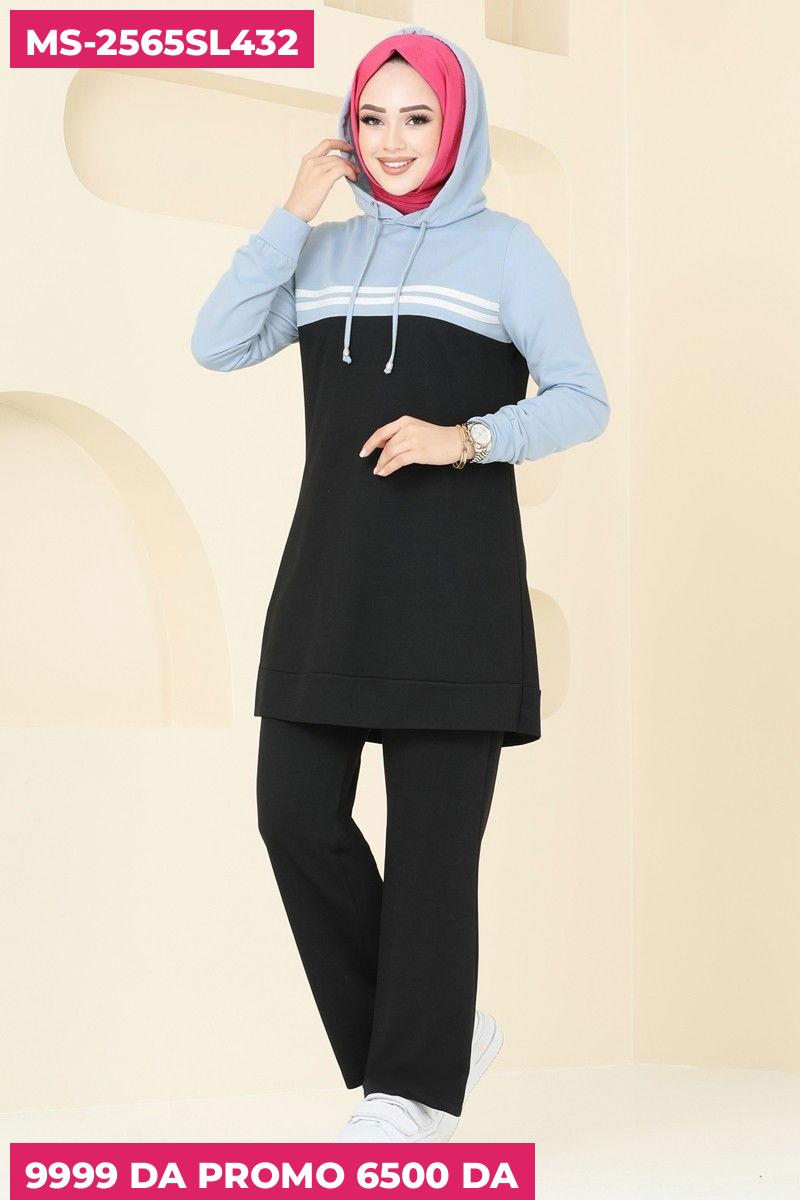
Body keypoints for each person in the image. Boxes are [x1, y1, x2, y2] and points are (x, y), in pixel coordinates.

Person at [190, 25, 610, 1143]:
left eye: (416, 117)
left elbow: (582, 398)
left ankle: (408, 1093)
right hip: (329, 579)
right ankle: (437, 1031)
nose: (391, 140)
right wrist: (291, 214)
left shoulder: (508, 251)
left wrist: (464, 438)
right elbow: (216, 343)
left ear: (456, 126)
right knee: (294, 819)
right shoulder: (321, 253)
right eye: (371, 118)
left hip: (453, 592)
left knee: (431, 852)